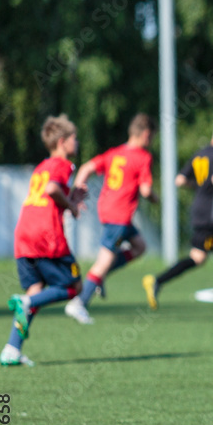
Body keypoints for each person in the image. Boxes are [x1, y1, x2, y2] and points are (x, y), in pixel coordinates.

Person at [0, 114, 86, 367]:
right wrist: (71, 204)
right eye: (74, 138)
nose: (77, 142)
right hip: (45, 236)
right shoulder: (63, 164)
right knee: (74, 287)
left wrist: (73, 196)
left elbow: (48, 190)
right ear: (62, 142)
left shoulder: (42, 166)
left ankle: (11, 349)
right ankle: (27, 302)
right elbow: (51, 190)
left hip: (24, 234)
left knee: (36, 290)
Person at [142, 118, 213, 319]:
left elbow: (180, 180)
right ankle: (157, 281)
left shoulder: (201, 153)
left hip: (199, 210)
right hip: (209, 215)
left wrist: (199, 187)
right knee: (198, 257)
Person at [65, 113, 159, 324]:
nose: (151, 142)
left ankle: (101, 278)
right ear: (146, 134)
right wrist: (155, 198)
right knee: (104, 261)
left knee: (139, 246)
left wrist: (76, 191)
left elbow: (86, 167)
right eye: (152, 137)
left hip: (109, 211)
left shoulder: (115, 153)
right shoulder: (143, 157)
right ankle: (79, 303)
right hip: (120, 214)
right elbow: (145, 191)